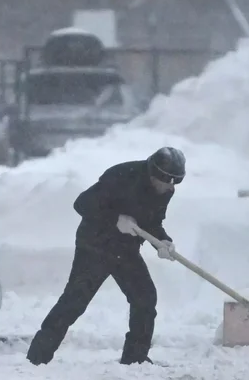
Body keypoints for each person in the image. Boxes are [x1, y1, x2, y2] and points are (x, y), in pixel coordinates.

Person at [26, 147, 186, 366]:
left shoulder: (165, 192)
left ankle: (135, 360)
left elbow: (152, 222)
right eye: (168, 180)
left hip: (125, 250)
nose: (171, 187)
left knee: (145, 298)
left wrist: (162, 241)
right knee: (75, 300)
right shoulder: (122, 176)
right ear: (154, 173)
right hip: (95, 245)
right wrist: (115, 219)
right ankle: (37, 357)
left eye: (176, 182)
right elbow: (82, 203)